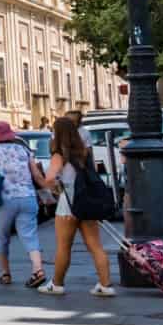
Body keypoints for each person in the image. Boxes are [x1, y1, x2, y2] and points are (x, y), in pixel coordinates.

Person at [40, 114, 116, 297]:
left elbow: (49, 178)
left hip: (69, 203)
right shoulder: (84, 152)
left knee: (64, 246)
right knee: (95, 245)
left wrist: (55, 187)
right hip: (87, 201)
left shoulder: (59, 155)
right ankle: (105, 285)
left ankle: (57, 284)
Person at [0, 120, 49, 289]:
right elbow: (37, 176)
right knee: (29, 235)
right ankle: (38, 270)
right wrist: (51, 190)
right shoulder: (24, 150)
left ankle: (5, 274)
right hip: (28, 197)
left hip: (5, 200)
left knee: (2, 237)